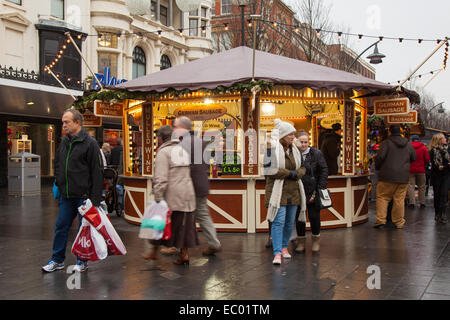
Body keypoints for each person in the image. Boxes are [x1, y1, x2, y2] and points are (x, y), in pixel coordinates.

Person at [42, 108, 104, 273]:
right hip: (67, 195)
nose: (63, 125)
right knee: (61, 226)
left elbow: (97, 172)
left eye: (66, 122)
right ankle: (57, 260)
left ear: (77, 123)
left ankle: (82, 261)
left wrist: (95, 200)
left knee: (82, 230)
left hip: (84, 197)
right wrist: (61, 184)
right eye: (62, 122)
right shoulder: (64, 142)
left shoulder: (90, 143)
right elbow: (58, 164)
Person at [143, 126, 198, 265]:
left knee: (158, 223)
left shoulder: (163, 152)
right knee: (183, 226)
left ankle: (153, 252)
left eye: (157, 138)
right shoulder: (183, 150)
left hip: (172, 195)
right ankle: (184, 254)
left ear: (160, 138)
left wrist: (158, 196)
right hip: (188, 194)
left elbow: (161, 178)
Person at [173, 116, 222, 255]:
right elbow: (206, 163)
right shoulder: (200, 142)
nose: (174, 130)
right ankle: (213, 242)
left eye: (176, 127)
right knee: (202, 214)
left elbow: (181, 167)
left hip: (189, 185)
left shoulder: (183, 144)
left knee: (181, 216)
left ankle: (178, 247)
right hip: (201, 184)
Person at [264, 119, 306, 265]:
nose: (293, 136)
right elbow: (269, 170)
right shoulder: (271, 148)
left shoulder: (295, 150)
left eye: (293, 134)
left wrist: (297, 173)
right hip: (278, 192)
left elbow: (303, 168)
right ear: (282, 135)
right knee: (278, 222)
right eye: (290, 134)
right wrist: (291, 174)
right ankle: (276, 253)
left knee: (289, 223)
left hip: (293, 191)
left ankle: (284, 248)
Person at [374, 125, 416, 229]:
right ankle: (399, 222)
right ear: (401, 132)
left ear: (390, 132)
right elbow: (414, 158)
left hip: (387, 176)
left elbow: (380, 157)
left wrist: (378, 167)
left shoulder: (386, 143)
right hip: (403, 176)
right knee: (399, 199)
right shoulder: (408, 144)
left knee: (383, 197)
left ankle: (381, 220)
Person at [293, 130, 328, 253]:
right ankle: (301, 242)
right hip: (298, 190)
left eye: (306, 142)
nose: (303, 144)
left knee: (314, 217)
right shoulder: (293, 153)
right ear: (296, 142)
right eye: (301, 142)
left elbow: (324, 170)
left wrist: (320, 187)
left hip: (313, 190)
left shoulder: (316, 153)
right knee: (299, 218)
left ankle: (315, 241)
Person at [429, 133, 449, 223]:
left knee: (444, 194)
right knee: (437, 195)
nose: (446, 139)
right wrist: (439, 167)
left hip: (446, 175)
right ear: (439, 140)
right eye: (444, 138)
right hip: (436, 175)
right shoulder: (433, 151)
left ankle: (443, 214)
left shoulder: (447, 150)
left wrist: (445, 166)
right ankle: (437, 213)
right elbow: (433, 164)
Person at [407, 135, 430, 209]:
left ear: (412, 140)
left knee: (411, 186)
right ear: (419, 140)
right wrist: (424, 165)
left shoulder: (408, 147)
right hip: (421, 170)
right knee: (422, 186)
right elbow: (427, 159)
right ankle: (422, 202)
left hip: (410, 170)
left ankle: (412, 203)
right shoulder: (423, 148)